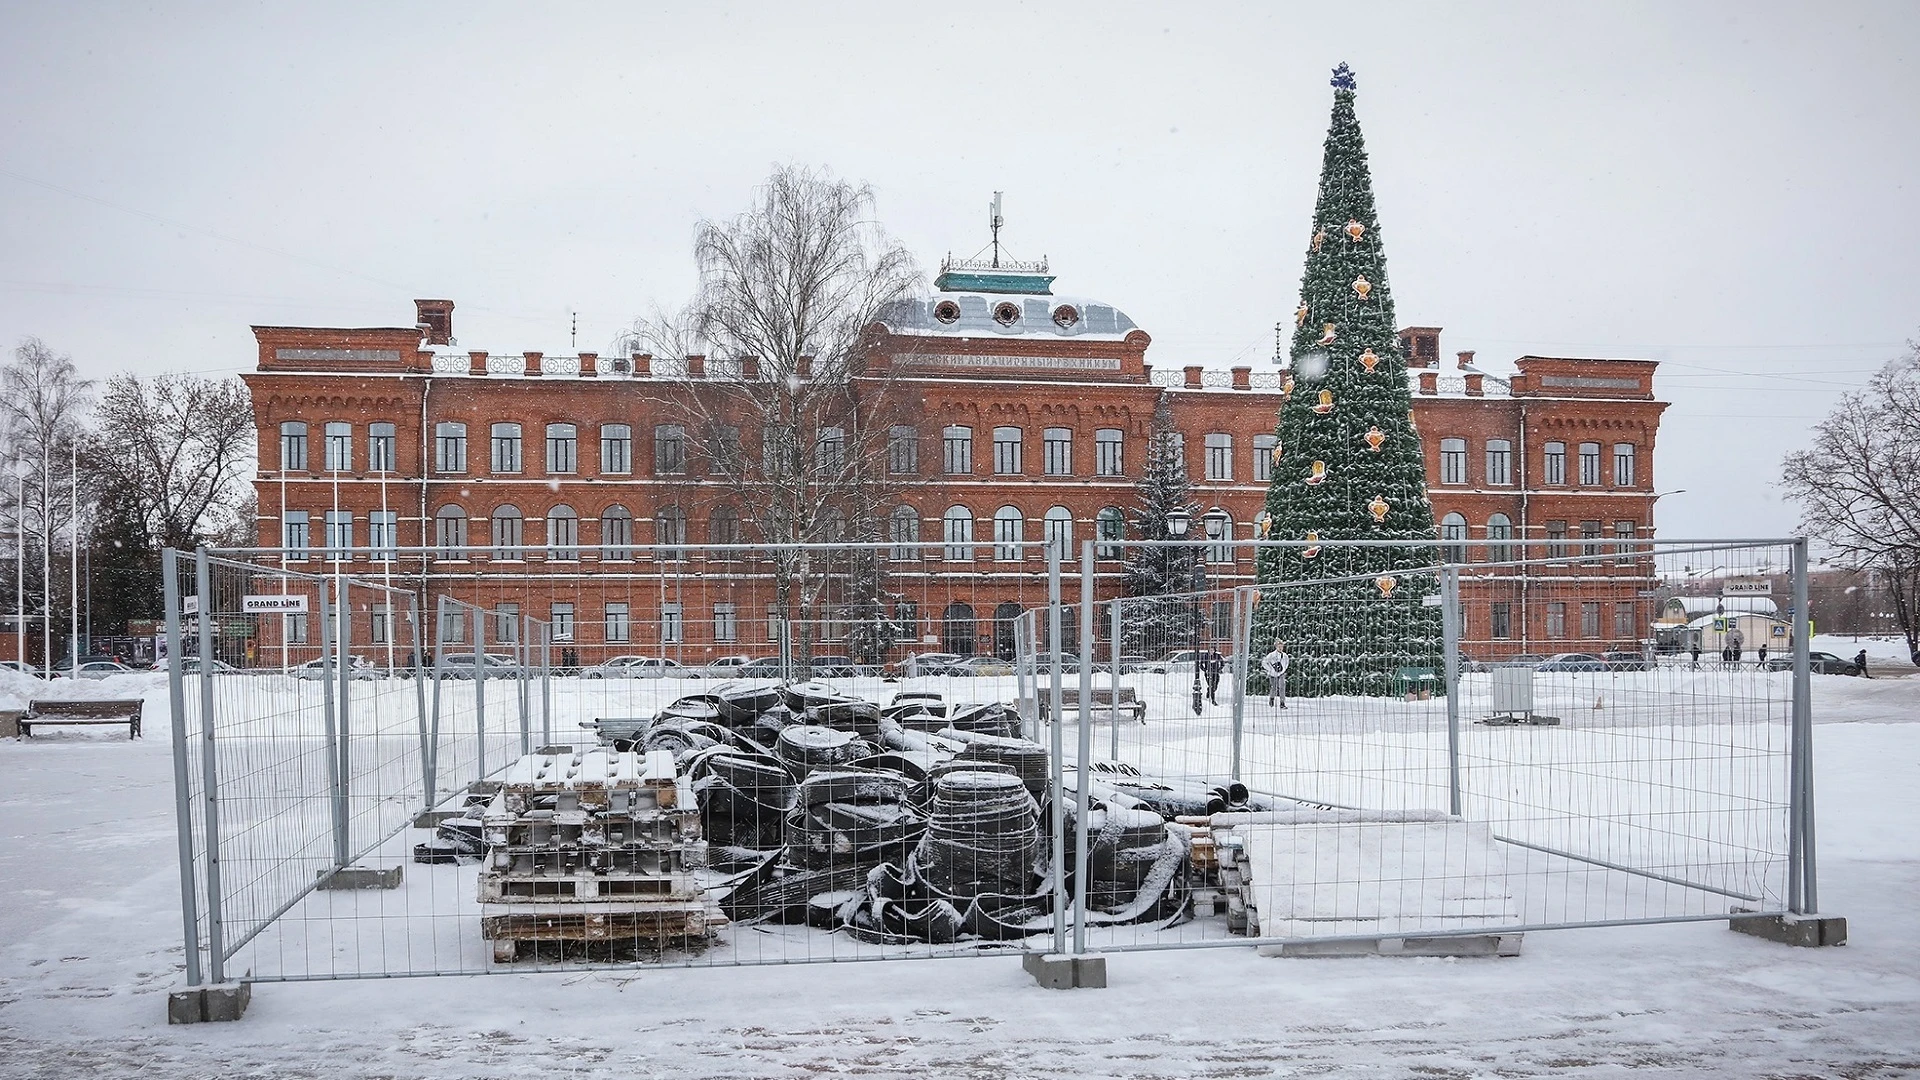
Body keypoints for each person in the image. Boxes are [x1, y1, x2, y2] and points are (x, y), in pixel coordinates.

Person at [1261, 641, 1289, 709]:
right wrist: (1270, 669)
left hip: (1281, 673)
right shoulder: (1271, 655)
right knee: (1273, 688)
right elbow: (1264, 662)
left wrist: (1283, 670)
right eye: (1279, 646)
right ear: (1276, 647)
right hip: (1273, 674)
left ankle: (1282, 703)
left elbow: (1286, 664)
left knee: (1282, 687)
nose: (1280, 648)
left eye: (1281, 646)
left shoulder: (1285, 656)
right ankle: (1271, 699)